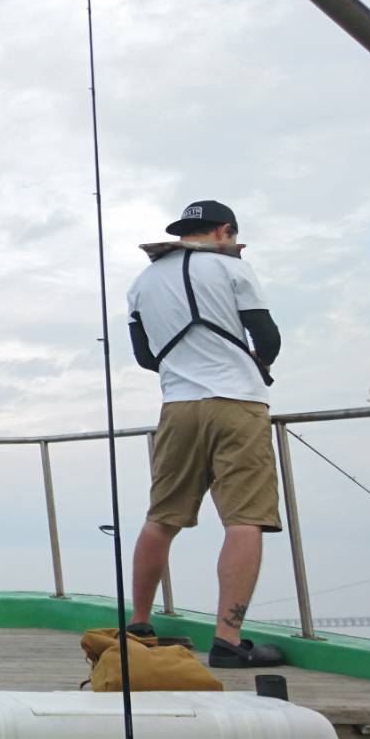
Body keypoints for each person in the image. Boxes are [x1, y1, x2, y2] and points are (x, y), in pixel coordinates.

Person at [125, 199, 286, 669]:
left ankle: (139, 624)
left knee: (162, 517)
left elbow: (144, 357)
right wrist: (255, 362)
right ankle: (228, 640)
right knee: (245, 518)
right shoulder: (233, 269)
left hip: (178, 407)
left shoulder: (142, 282)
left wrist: (185, 366)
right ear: (225, 232)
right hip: (237, 402)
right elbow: (269, 339)